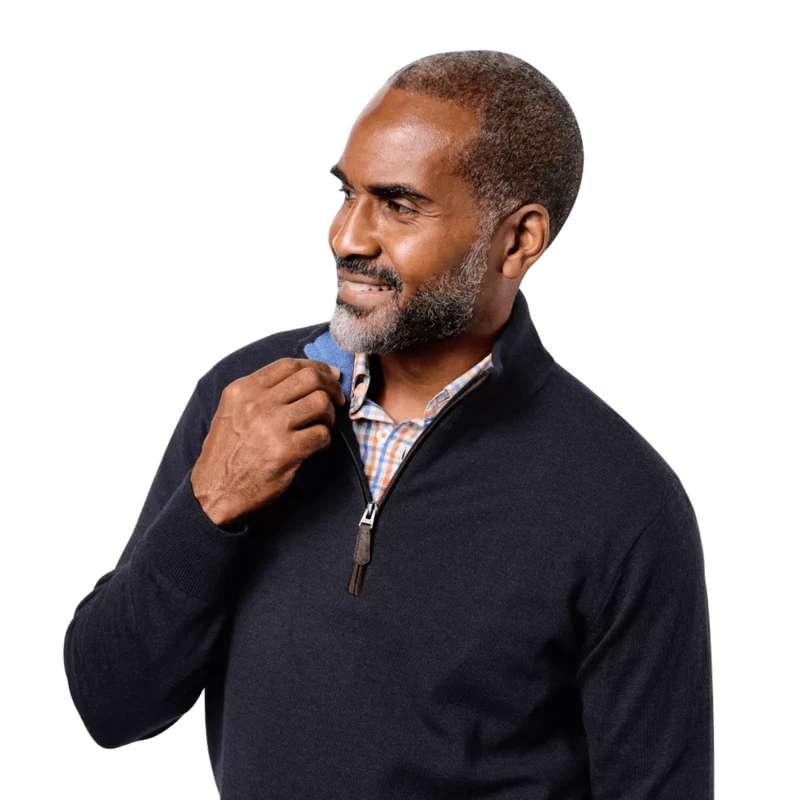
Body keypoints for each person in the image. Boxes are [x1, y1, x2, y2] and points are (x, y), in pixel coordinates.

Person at [63, 50, 714, 798]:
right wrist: (211, 505)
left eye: (399, 205)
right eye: (347, 193)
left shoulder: (623, 501)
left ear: (518, 240)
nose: (348, 236)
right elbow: (111, 705)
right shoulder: (244, 401)